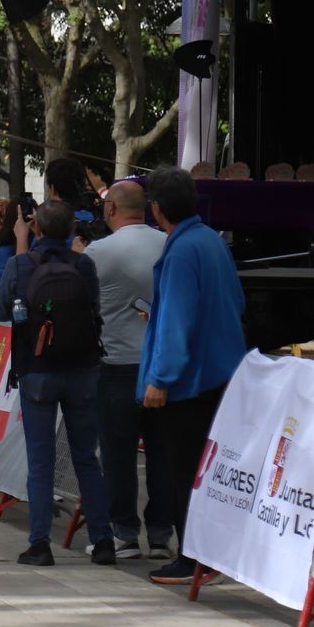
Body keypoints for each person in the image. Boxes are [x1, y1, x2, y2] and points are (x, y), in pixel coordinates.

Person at [136, 167, 246, 584]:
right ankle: (206, 555)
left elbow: (176, 322)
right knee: (201, 470)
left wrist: (161, 377)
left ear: (157, 208)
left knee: (183, 472)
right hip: (217, 374)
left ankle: (194, 557)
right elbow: (234, 302)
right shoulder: (210, 242)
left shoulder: (182, 251)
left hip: (190, 381)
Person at [0, 200, 116, 567]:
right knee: (86, 459)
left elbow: (1, 312)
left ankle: (39, 543)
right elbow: (93, 308)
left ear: (37, 229)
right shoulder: (84, 264)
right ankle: (103, 538)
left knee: (41, 459)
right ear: (71, 232)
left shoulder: (20, 264)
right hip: (83, 369)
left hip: (37, 369)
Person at [77, 179, 172, 560]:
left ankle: (125, 532)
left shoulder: (98, 252)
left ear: (112, 209)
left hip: (115, 363)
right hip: (162, 365)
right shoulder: (169, 244)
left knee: (117, 454)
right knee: (163, 453)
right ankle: (162, 535)